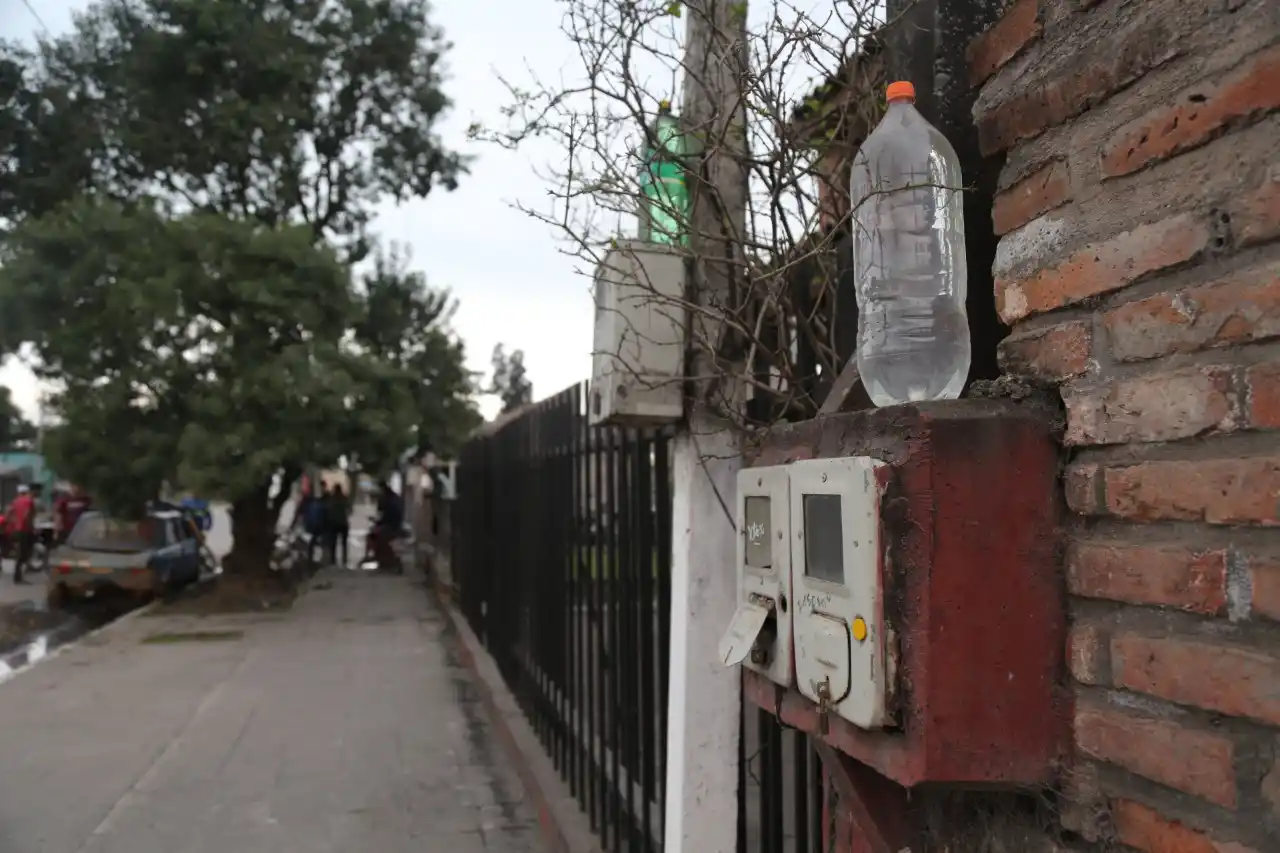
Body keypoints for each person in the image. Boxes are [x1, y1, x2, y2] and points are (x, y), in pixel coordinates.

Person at [4, 484, 37, 584]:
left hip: (15, 530)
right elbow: (28, 514)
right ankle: (18, 577)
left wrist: (12, 523)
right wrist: (28, 525)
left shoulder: (15, 501)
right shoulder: (29, 501)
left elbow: (9, 513)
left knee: (20, 552)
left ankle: (19, 574)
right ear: (27, 492)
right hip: (25, 530)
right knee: (24, 553)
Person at [325, 483, 351, 568]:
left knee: (333, 543)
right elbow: (350, 510)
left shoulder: (331, 499)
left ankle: (333, 560)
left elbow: (328, 510)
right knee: (344, 543)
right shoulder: (344, 498)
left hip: (334, 523)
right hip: (343, 523)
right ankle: (344, 560)